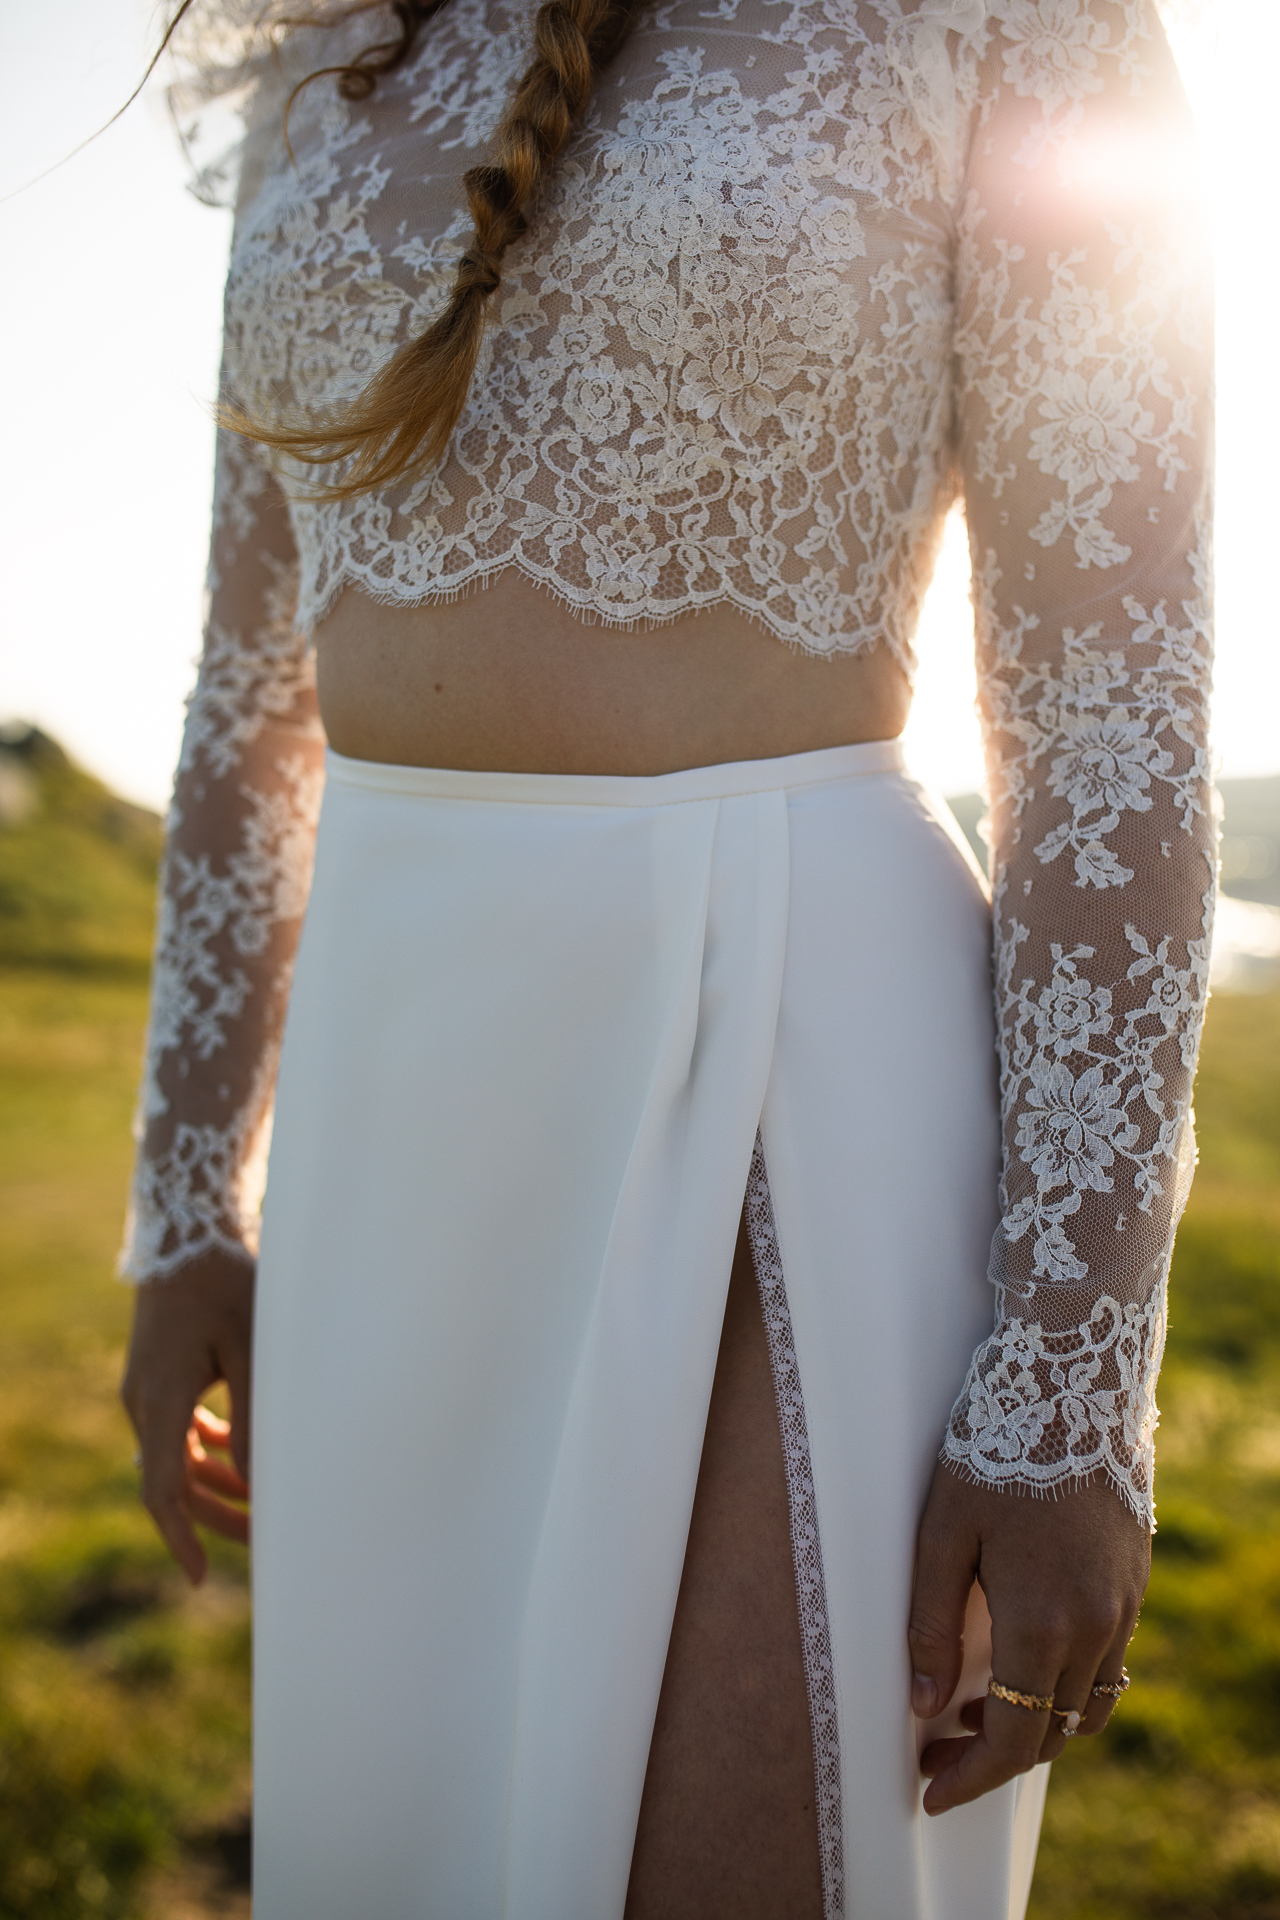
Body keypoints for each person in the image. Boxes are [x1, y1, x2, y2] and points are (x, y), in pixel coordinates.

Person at [119, 0, 1214, 1912]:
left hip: (783, 1056)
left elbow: (1109, 714)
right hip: (396, 1119)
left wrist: (1072, 1379)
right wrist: (187, 1194)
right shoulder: (313, 43)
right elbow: (249, 700)